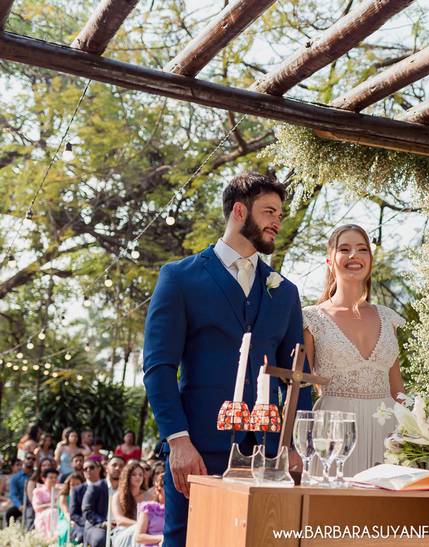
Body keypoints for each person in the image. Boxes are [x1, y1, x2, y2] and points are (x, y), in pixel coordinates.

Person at [142, 172, 312, 546]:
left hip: (268, 457)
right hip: (199, 451)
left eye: (280, 214)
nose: (277, 222)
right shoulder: (179, 278)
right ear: (238, 211)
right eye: (269, 211)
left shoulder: (284, 291)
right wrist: (178, 441)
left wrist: (296, 444)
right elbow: (158, 367)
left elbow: (298, 375)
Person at [302, 224, 405, 475]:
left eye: (362, 249)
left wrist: (416, 435)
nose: (354, 255)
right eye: (344, 249)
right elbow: (302, 388)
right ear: (330, 260)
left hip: (386, 433)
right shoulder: (311, 319)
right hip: (334, 434)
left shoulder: (388, 318)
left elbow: (398, 391)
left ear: (370, 260)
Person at [110, 460, 147, 547]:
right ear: (127, 476)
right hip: (122, 532)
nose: (138, 477)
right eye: (134, 474)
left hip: (145, 532)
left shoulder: (148, 495)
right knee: (138, 532)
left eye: (140, 475)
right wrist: (140, 525)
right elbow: (119, 520)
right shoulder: (117, 496)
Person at [134, 473, 164, 547]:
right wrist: (161, 538)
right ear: (158, 489)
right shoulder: (148, 507)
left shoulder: (177, 510)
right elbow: (138, 537)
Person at [4, 453, 32, 525]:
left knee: (30, 513)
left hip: (32, 505)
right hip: (20, 505)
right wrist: (19, 505)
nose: (31, 460)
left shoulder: (35, 475)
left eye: (33, 459)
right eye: (28, 458)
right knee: (9, 513)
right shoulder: (15, 478)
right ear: (24, 460)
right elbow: (13, 494)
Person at [32, 467, 59, 540]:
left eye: (55, 478)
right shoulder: (38, 491)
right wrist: (51, 505)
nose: (53, 480)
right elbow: (36, 508)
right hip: (43, 517)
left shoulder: (59, 491)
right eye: (51, 477)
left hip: (57, 516)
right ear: (44, 479)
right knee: (52, 512)